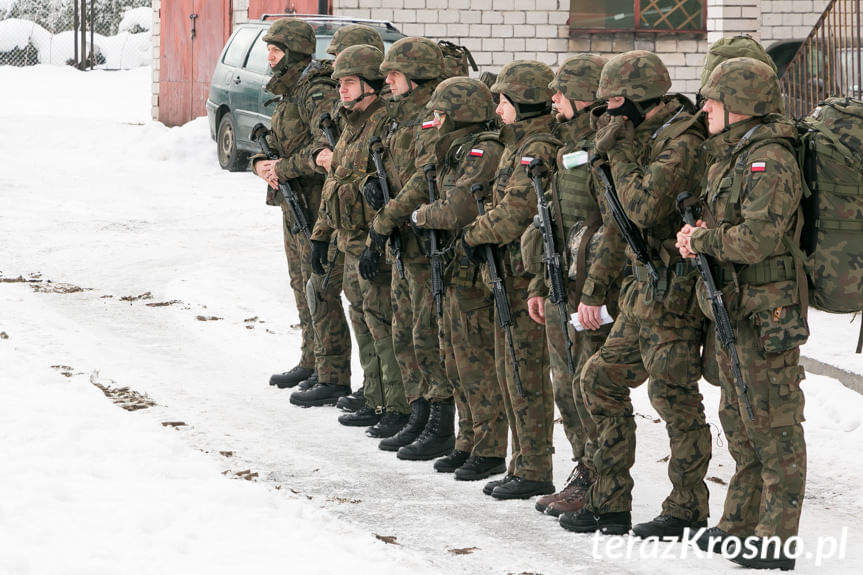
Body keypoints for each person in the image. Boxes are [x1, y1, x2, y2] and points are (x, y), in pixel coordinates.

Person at [559, 50, 711, 537]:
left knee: (674, 398)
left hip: (676, 293)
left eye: (616, 101)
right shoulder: (634, 137)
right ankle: (608, 500)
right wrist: (594, 291)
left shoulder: (681, 141)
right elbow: (615, 227)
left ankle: (686, 506)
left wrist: (620, 152)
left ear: (642, 99)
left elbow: (643, 208)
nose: (607, 112)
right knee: (598, 378)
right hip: (639, 290)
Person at [676, 57, 807, 571]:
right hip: (735, 308)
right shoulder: (733, 155)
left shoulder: (769, 160)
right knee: (739, 418)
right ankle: (739, 523)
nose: (705, 108)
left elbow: (758, 238)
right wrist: (699, 237)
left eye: (714, 100)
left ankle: (775, 540)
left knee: (774, 429)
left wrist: (703, 239)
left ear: (741, 106)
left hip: (766, 313)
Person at [522, 54, 624, 517]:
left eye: (561, 91)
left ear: (585, 95)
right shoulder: (566, 147)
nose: (554, 100)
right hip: (562, 280)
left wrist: (594, 293)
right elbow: (554, 225)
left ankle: (600, 483)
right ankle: (584, 471)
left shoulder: (604, 146)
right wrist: (541, 283)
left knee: (589, 389)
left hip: (591, 289)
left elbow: (610, 225)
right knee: (565, 386)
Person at [461, 60, 560, 500]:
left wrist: (472, 234)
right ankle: (521, 462)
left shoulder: (535, 148)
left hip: (523, 278)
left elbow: (514, 215)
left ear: (523, 102)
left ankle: (534, 467)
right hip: (507, 273)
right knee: (511, 371)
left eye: (504, 101)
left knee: (526, 375)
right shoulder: (517, 143)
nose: (498, 109)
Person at [410, 77, 509, 480]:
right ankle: (467, 440)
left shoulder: (483, 150)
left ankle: (489, 448)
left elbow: (458, 208)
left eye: (441, 114)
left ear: (458, 115)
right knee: (454, 358)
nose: (434, 120)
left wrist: (420, 215)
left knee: (476, 362)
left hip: (474, 271)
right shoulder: (454, 151)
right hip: (453, 266)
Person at [365, 38, 454, 457]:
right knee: (404, 331)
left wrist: (385, 221)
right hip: (405, 241)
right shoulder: (398, 119)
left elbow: (423, 181)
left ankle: (439, 419)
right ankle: (418, 410)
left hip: (424, 242)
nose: (387, 81)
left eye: (394, 75)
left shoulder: (431, 120)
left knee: (426, 334)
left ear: (415, 78)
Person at [250, 19, 342, 402]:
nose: (269, 58)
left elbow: (325, 150)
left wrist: (283, 168)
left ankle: (332, 371)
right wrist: (261, 163)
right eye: (269, 50)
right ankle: (312, 359)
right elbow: (273, 142)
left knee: (319, 285)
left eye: (276, 50)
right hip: (293, 199)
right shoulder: (289, 91)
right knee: (299, 282)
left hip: (316, 202)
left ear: (295, 53)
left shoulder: (315, 91)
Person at [309, 45, 399, 417]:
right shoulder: (349, 123)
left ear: (371, 85)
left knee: (381, 323)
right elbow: (334, 184)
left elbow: (382, 186)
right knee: (361, 319)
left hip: (371, 237)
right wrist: (320, 233)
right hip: (347, 238)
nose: (341, 90)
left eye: (349, 83)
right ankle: (374, 393)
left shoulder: (383, 123)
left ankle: (394, 402)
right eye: (340, 83)